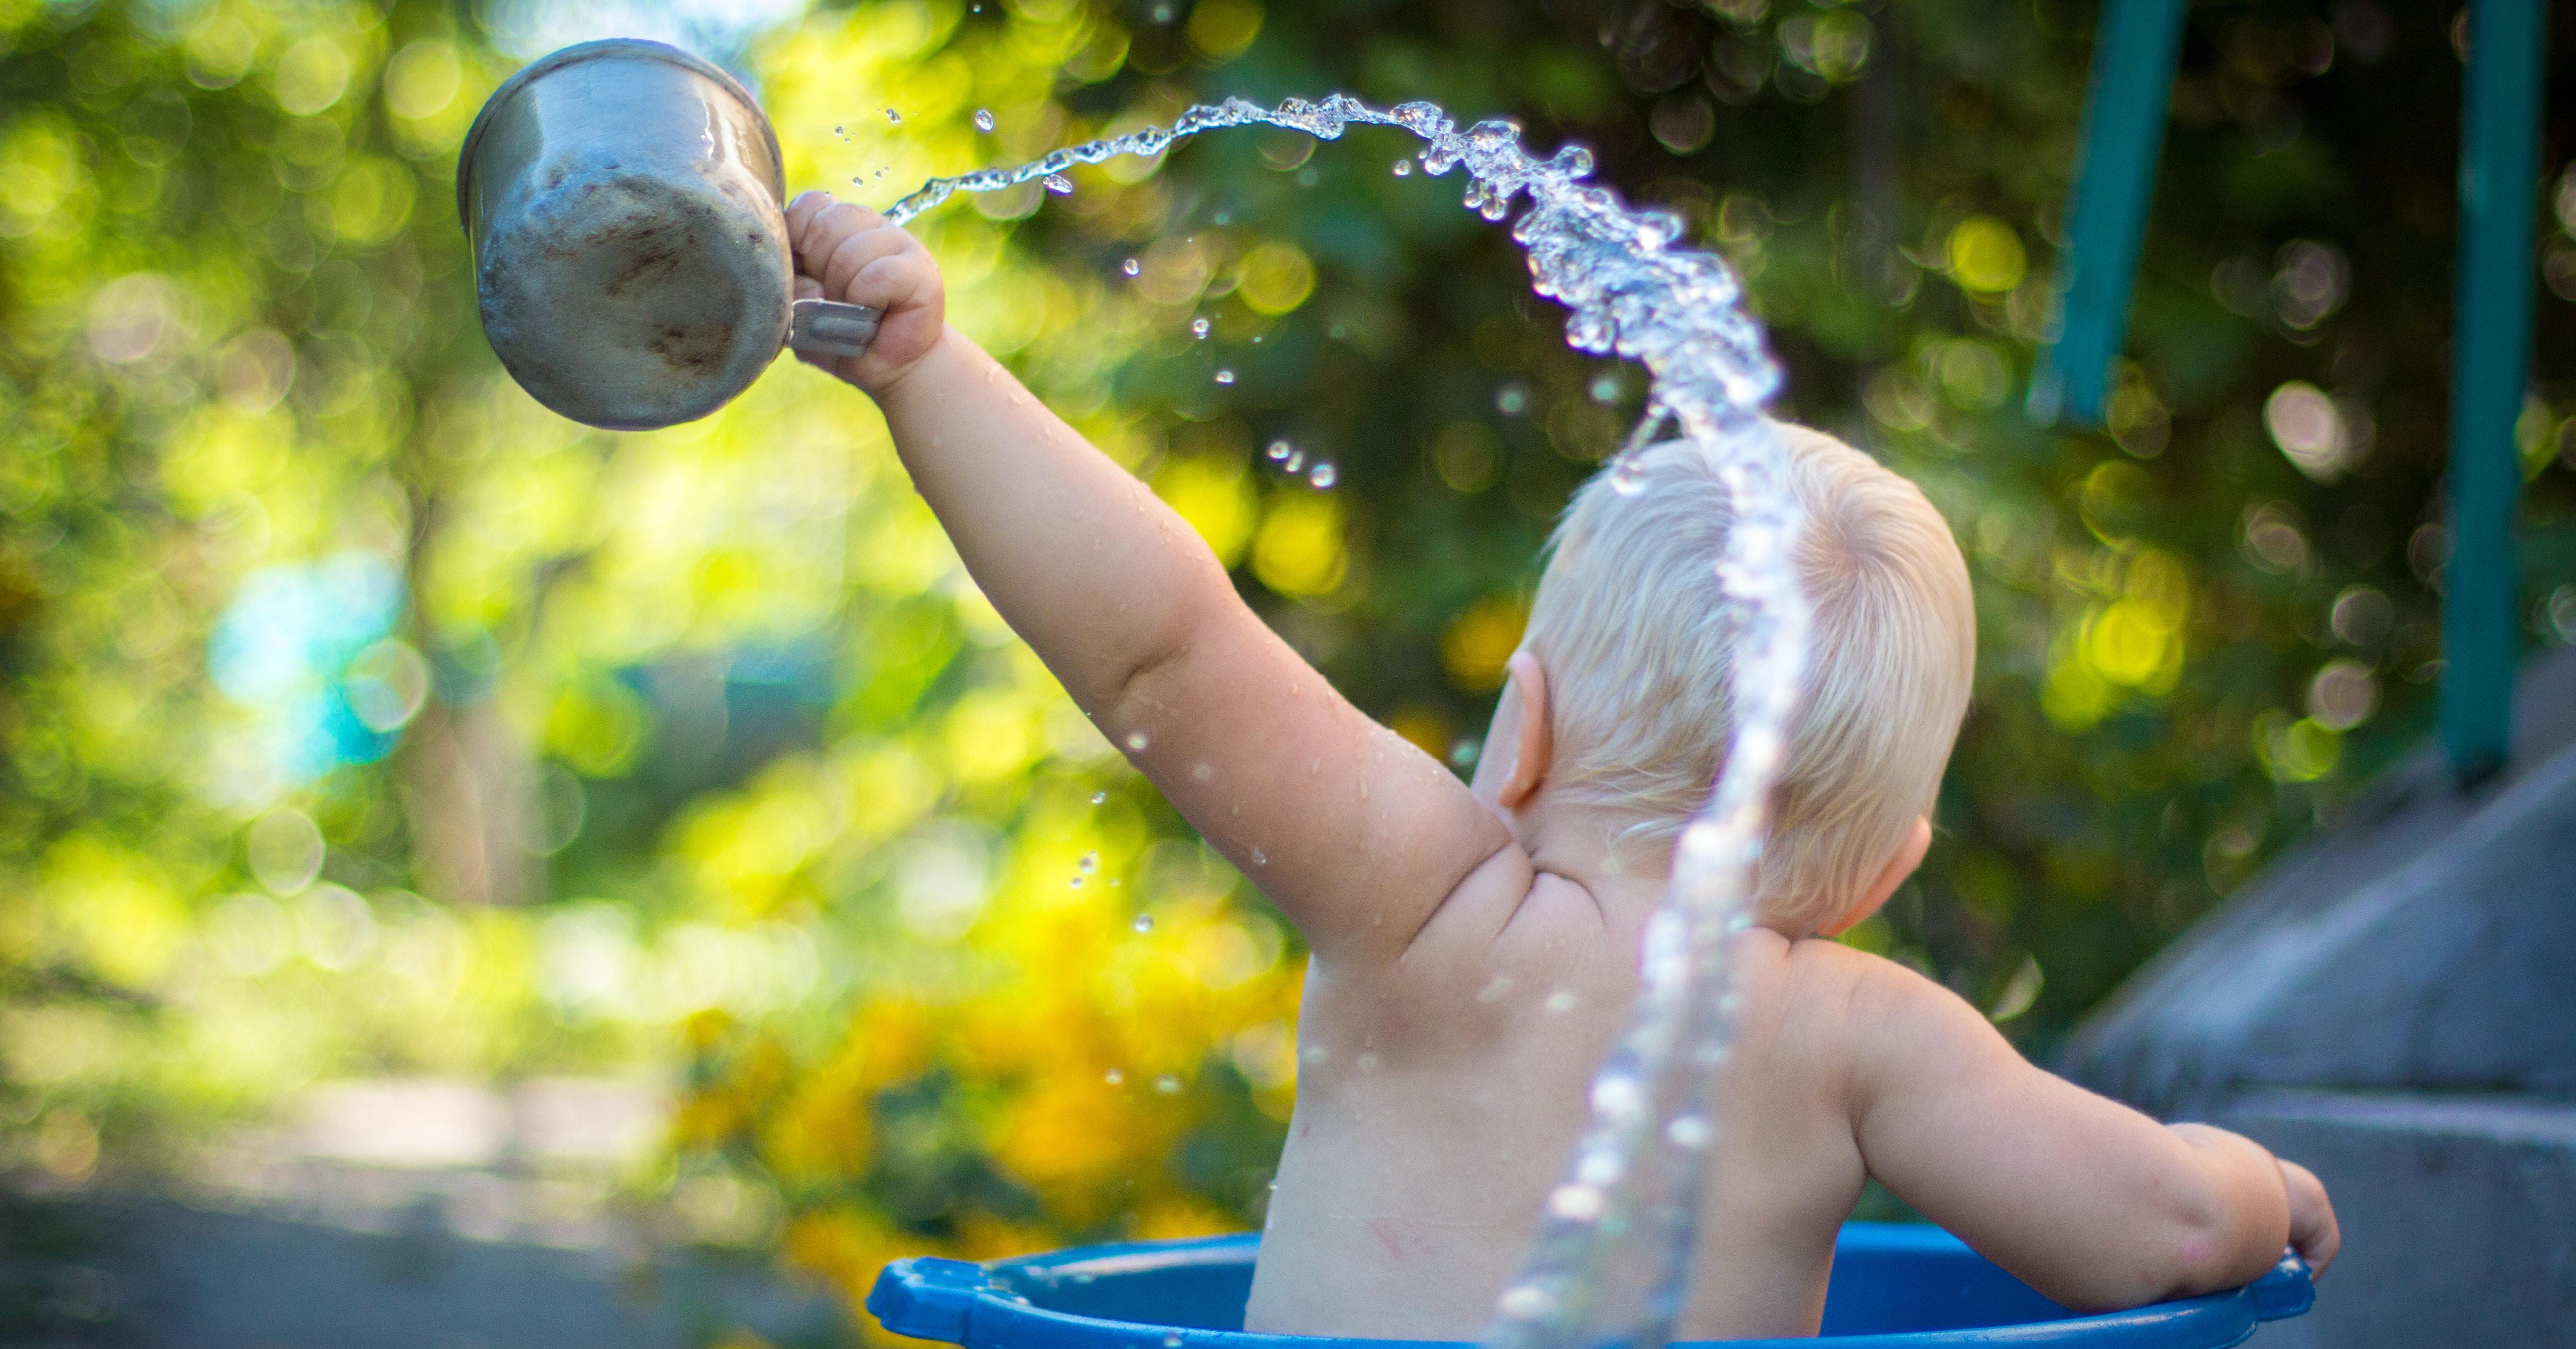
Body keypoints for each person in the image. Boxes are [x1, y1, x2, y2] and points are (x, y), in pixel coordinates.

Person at [781, 191, 2339, 1341]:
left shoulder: (1428, 909)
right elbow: (2167, 1229)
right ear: (1885, 871)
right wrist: (2261, 1185)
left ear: (1516, 729)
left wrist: (927, 367)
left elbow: (1164, 651)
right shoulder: (1861, 1037)